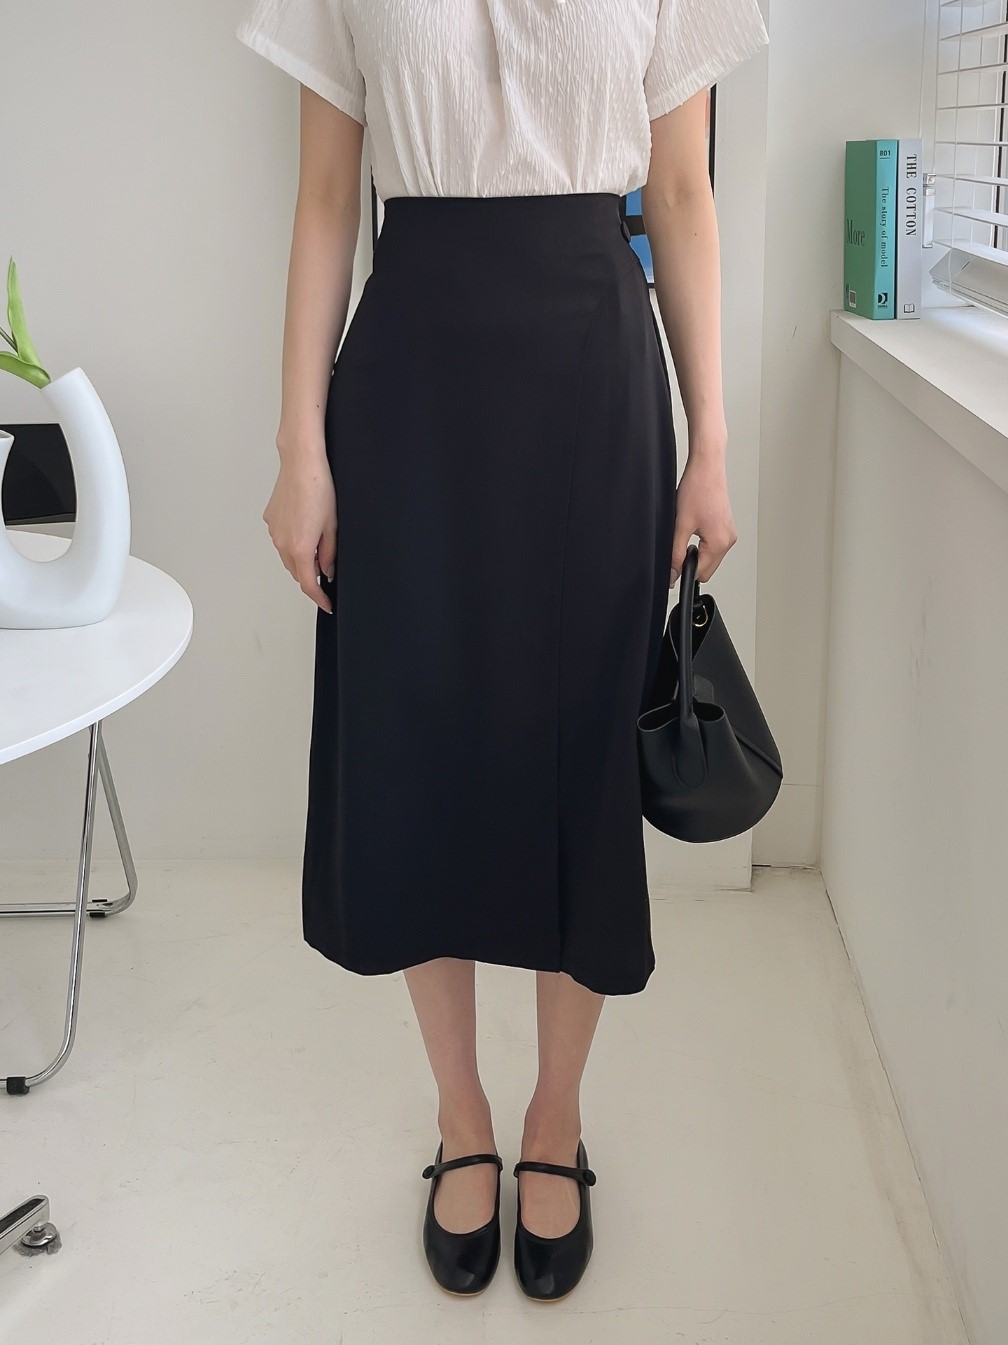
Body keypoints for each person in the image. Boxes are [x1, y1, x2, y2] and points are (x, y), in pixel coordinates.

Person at [235, 0, 769, 1303]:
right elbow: (326, 198)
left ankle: (556, 1116)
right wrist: (300, 447)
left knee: (581, 756)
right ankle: (462, 1113)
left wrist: (710, 438)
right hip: (409, 385)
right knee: (420, 747)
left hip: (594, 373)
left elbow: (681, 192)